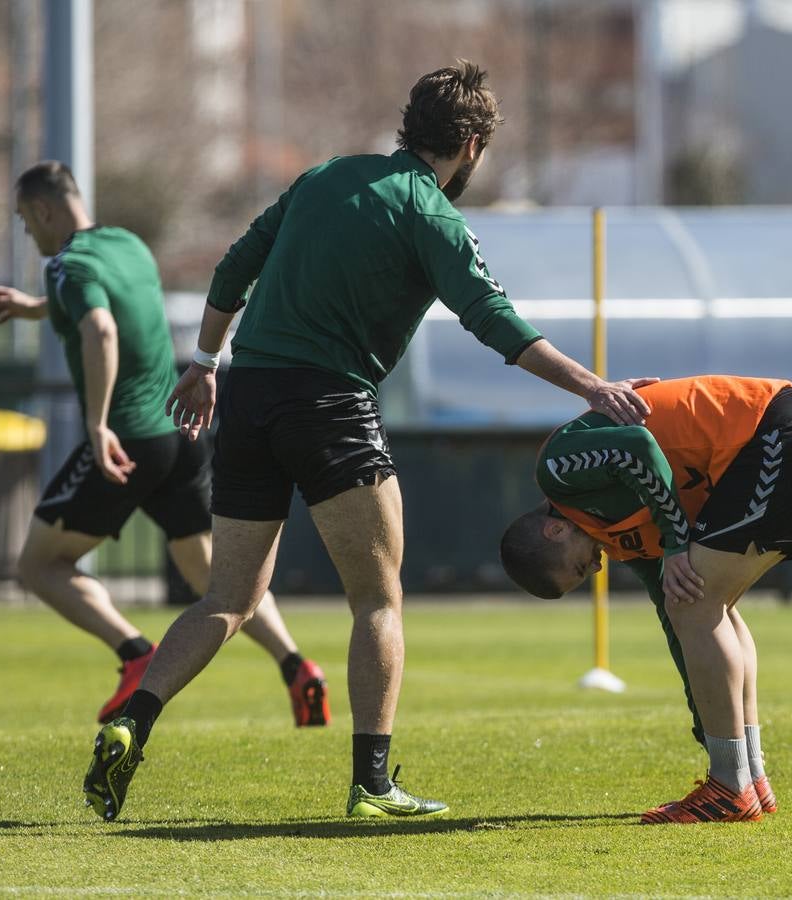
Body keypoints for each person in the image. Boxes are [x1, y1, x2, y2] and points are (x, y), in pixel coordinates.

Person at [82, 61, 656, 822]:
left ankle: (134, 720)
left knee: (227, 597)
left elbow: (235, 267)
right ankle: (373, 784)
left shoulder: (326, 176)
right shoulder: (433, 214)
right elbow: (494, 321)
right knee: (378, 600)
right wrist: (590, 386)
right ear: (473, 146)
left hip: (249, 392)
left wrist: (205, 363)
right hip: (329, 402)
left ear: (409, 126)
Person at [0, 161, 330, 730]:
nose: (30, 233)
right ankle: (297, 667)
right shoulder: (128, 246)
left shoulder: (67, 265)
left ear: (44, 210)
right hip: (180, 432)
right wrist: (34, 308)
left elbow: (99, 326)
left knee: (38, 565)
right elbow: (98, 299)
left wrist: (97, 426)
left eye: (26, 222)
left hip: (128, 439)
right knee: (213, 577)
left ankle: (132, 653)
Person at [500, 375, 792, 824]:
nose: (595, 570)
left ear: (554, 530)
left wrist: (673, 542)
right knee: (703, 604)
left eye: (577, 569)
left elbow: (638, 448)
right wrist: (705, 725)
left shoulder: (558, 469)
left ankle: (730, 787)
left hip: (783, 432)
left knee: (696, 604)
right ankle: (748, 777)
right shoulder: (618, 536)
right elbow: (676, 625)